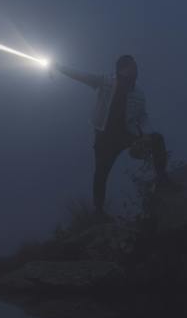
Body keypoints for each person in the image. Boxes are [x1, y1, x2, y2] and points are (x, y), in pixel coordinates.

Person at [54, 53, 178, 216]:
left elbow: (143, 116)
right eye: (133, 67)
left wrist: (148, 134)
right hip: (105, 138)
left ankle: (161, 178)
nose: (136, 70)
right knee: (101, 173)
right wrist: (57, 66)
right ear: (122, 69)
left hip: (126, 135)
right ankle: (98, 211)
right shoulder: (106, 81)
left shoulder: (139, 93)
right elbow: (81, 76)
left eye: (136, 67)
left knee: (157, 139)